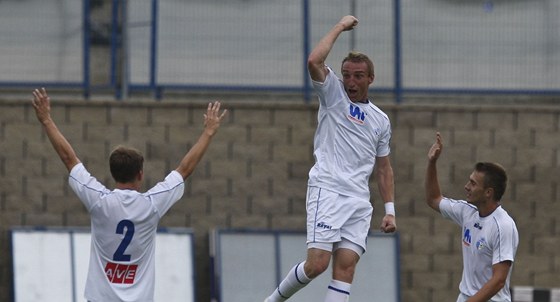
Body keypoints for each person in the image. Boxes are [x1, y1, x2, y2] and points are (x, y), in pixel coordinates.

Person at [31, 88, 227, 302]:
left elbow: (69, 158)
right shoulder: (152, 205)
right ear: (140, 174)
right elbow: (185, 169)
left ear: (113, 173)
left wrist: (46, 120)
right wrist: (208, 132)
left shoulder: (98, 201)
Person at [264, 15, 397, 302]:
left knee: (346, 267)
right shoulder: (333, 94)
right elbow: (314, 60)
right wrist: (339, 27)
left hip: (358, 201)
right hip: (328, 190)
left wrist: (390, 210)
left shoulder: (381, 120)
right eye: (346, 74)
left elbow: (384, 168)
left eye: (358, 75)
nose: (350, 81)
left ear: (370, 79)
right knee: (317, 264)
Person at [425, 132, 519, 302]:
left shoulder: (503, 226)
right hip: (466, 297)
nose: (466, 186)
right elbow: (433, 199)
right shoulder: (467, 212)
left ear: (488, 192)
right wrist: (432, 162)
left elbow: (498, 281)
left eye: (473, 183)